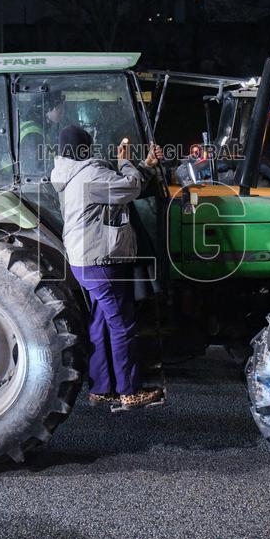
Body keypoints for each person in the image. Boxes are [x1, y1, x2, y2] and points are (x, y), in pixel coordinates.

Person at [50, 125, 165, 411]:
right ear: (85, 149)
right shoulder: (90, 175)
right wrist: (130, 162)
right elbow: (129, 187)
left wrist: (140, 165)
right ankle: (129, 391)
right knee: (123, 325)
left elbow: (120, 183)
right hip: (100, 262)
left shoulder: (67, 173)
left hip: (82, 261)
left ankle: (101, 388)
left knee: (100, 322)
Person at [19, 96, 64, 173]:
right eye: (59, 111)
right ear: (48, 109)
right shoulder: (33, 134)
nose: (62, 114)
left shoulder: (39, 128)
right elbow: (37, 169)